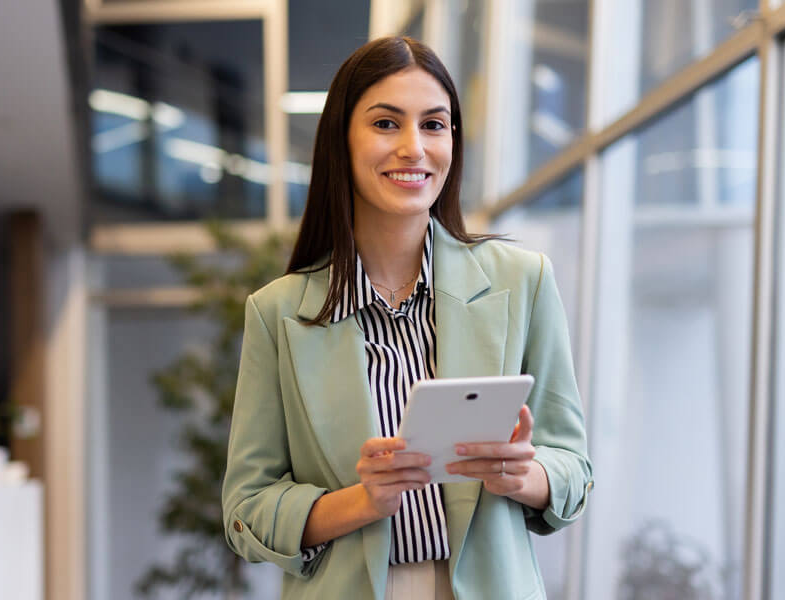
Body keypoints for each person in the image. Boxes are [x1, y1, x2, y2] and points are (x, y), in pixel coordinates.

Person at [221, 36, 593, 600]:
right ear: (341, 141)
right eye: (387, 124)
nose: (414, 148)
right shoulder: (278, 314)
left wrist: (526, 476)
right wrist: (361, 500)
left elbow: (574, 468)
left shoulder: (523, 281)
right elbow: (246, 511)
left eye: (434, 124)